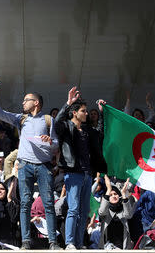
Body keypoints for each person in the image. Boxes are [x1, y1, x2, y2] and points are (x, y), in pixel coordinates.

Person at [0, 75, 61, 250]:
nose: (23, 103)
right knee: (25, 202)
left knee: (48, 203)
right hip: (24, 165)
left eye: (26, 100)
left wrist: (50, 141)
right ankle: (26, 241)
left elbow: (57, 144)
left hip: (44, 166)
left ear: (36, 103)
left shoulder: (48, 120)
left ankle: (53, 242)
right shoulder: (21, 119)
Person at [54, 86, 106, 249]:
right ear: (75, 112)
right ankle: (69, 242)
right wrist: (68, 103)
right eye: (83, 111)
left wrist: (102, 112)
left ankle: (78, 242)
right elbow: (56, 124)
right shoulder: (66, 127)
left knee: (84, 211)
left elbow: (101, 133)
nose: (86, 113)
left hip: (87, 174)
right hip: (73, 174)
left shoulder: (88, 130)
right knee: (73, 209)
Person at [98, 176, 135, 249]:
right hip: (106, 248)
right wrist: (108, 189)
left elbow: (128, 215)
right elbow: (101, 212)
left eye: (115, 194)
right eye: (111, 195)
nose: (114, 196)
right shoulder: (106, 210)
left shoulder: (124, 208)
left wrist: (124, 194)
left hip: (122, 248)